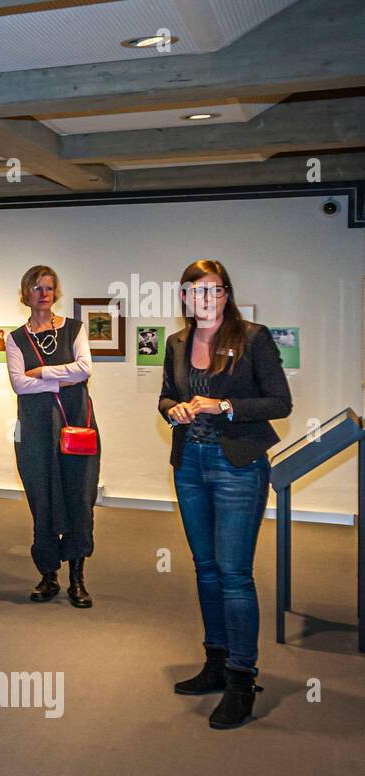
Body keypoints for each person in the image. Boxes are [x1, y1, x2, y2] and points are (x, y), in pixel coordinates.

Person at [160, 259, 291, 730]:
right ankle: (215, 662)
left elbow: (280, 402)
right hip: (190, 466)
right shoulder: (176, 343)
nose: (205, 300)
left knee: (234, 573)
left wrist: (227, 406)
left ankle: (241, 678)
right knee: (206, 568)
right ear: (184, 298)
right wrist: (174, 410)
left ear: (227, 294)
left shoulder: (253, 338)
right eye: (195, 292)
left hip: (238, 467)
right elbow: (164, 397)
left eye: (214, 291)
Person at [6, 265, 99, 608]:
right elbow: (19, 383)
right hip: (35, 428)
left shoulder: (74, 328)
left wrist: (42, 373)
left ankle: (77, 579)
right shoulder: (15, 338)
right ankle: (48, 576)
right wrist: (64, 377)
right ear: (25, 294)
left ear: (55, 293)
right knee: (41, 497)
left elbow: (85, 368)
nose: (43, 293)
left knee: (78, 496)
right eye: (36, 288)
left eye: (48, 288)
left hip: (77, 424)